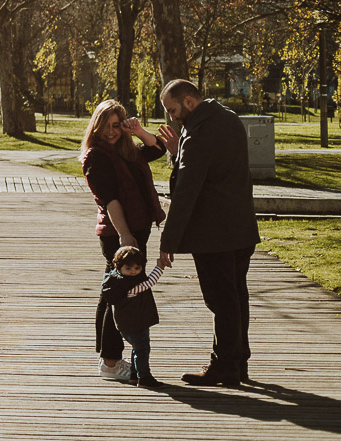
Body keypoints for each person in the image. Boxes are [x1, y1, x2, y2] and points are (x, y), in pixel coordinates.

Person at [158, 77, 260, 386]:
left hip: (214, 233)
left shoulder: (199, 134)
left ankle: (225, 365)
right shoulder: (228, 118)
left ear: (189, 101)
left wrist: (168, 241)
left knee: (220, 300)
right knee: (235, 296)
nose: (172, 117)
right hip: (241, 227)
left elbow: (187, 191)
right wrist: (179, 151)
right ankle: (237, 361)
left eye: (173, 110)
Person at [80, 99, 167, 382]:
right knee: (115, 297)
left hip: (137, 231)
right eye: (105, 126)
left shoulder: (127, 152)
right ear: (95, 126)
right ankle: (110, 362)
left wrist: (139, 131)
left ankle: (112, 361)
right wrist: (125, 236)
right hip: (118, 234)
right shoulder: (96, 157)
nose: (111, 132)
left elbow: (158, 148)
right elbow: (110, 200)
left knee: (116, 295)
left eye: (116, 125)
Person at [100, 245, 167, 388]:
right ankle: (144, 377)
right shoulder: (130, 286)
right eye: (128, 268)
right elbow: (150, 282)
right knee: (142, 349)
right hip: (135, 322)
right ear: (118, 267)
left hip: (126, 323)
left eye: (137, 268)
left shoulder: (115, 280)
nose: (133, 272)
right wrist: (160, 267)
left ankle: (133, 375)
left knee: (137, 348)